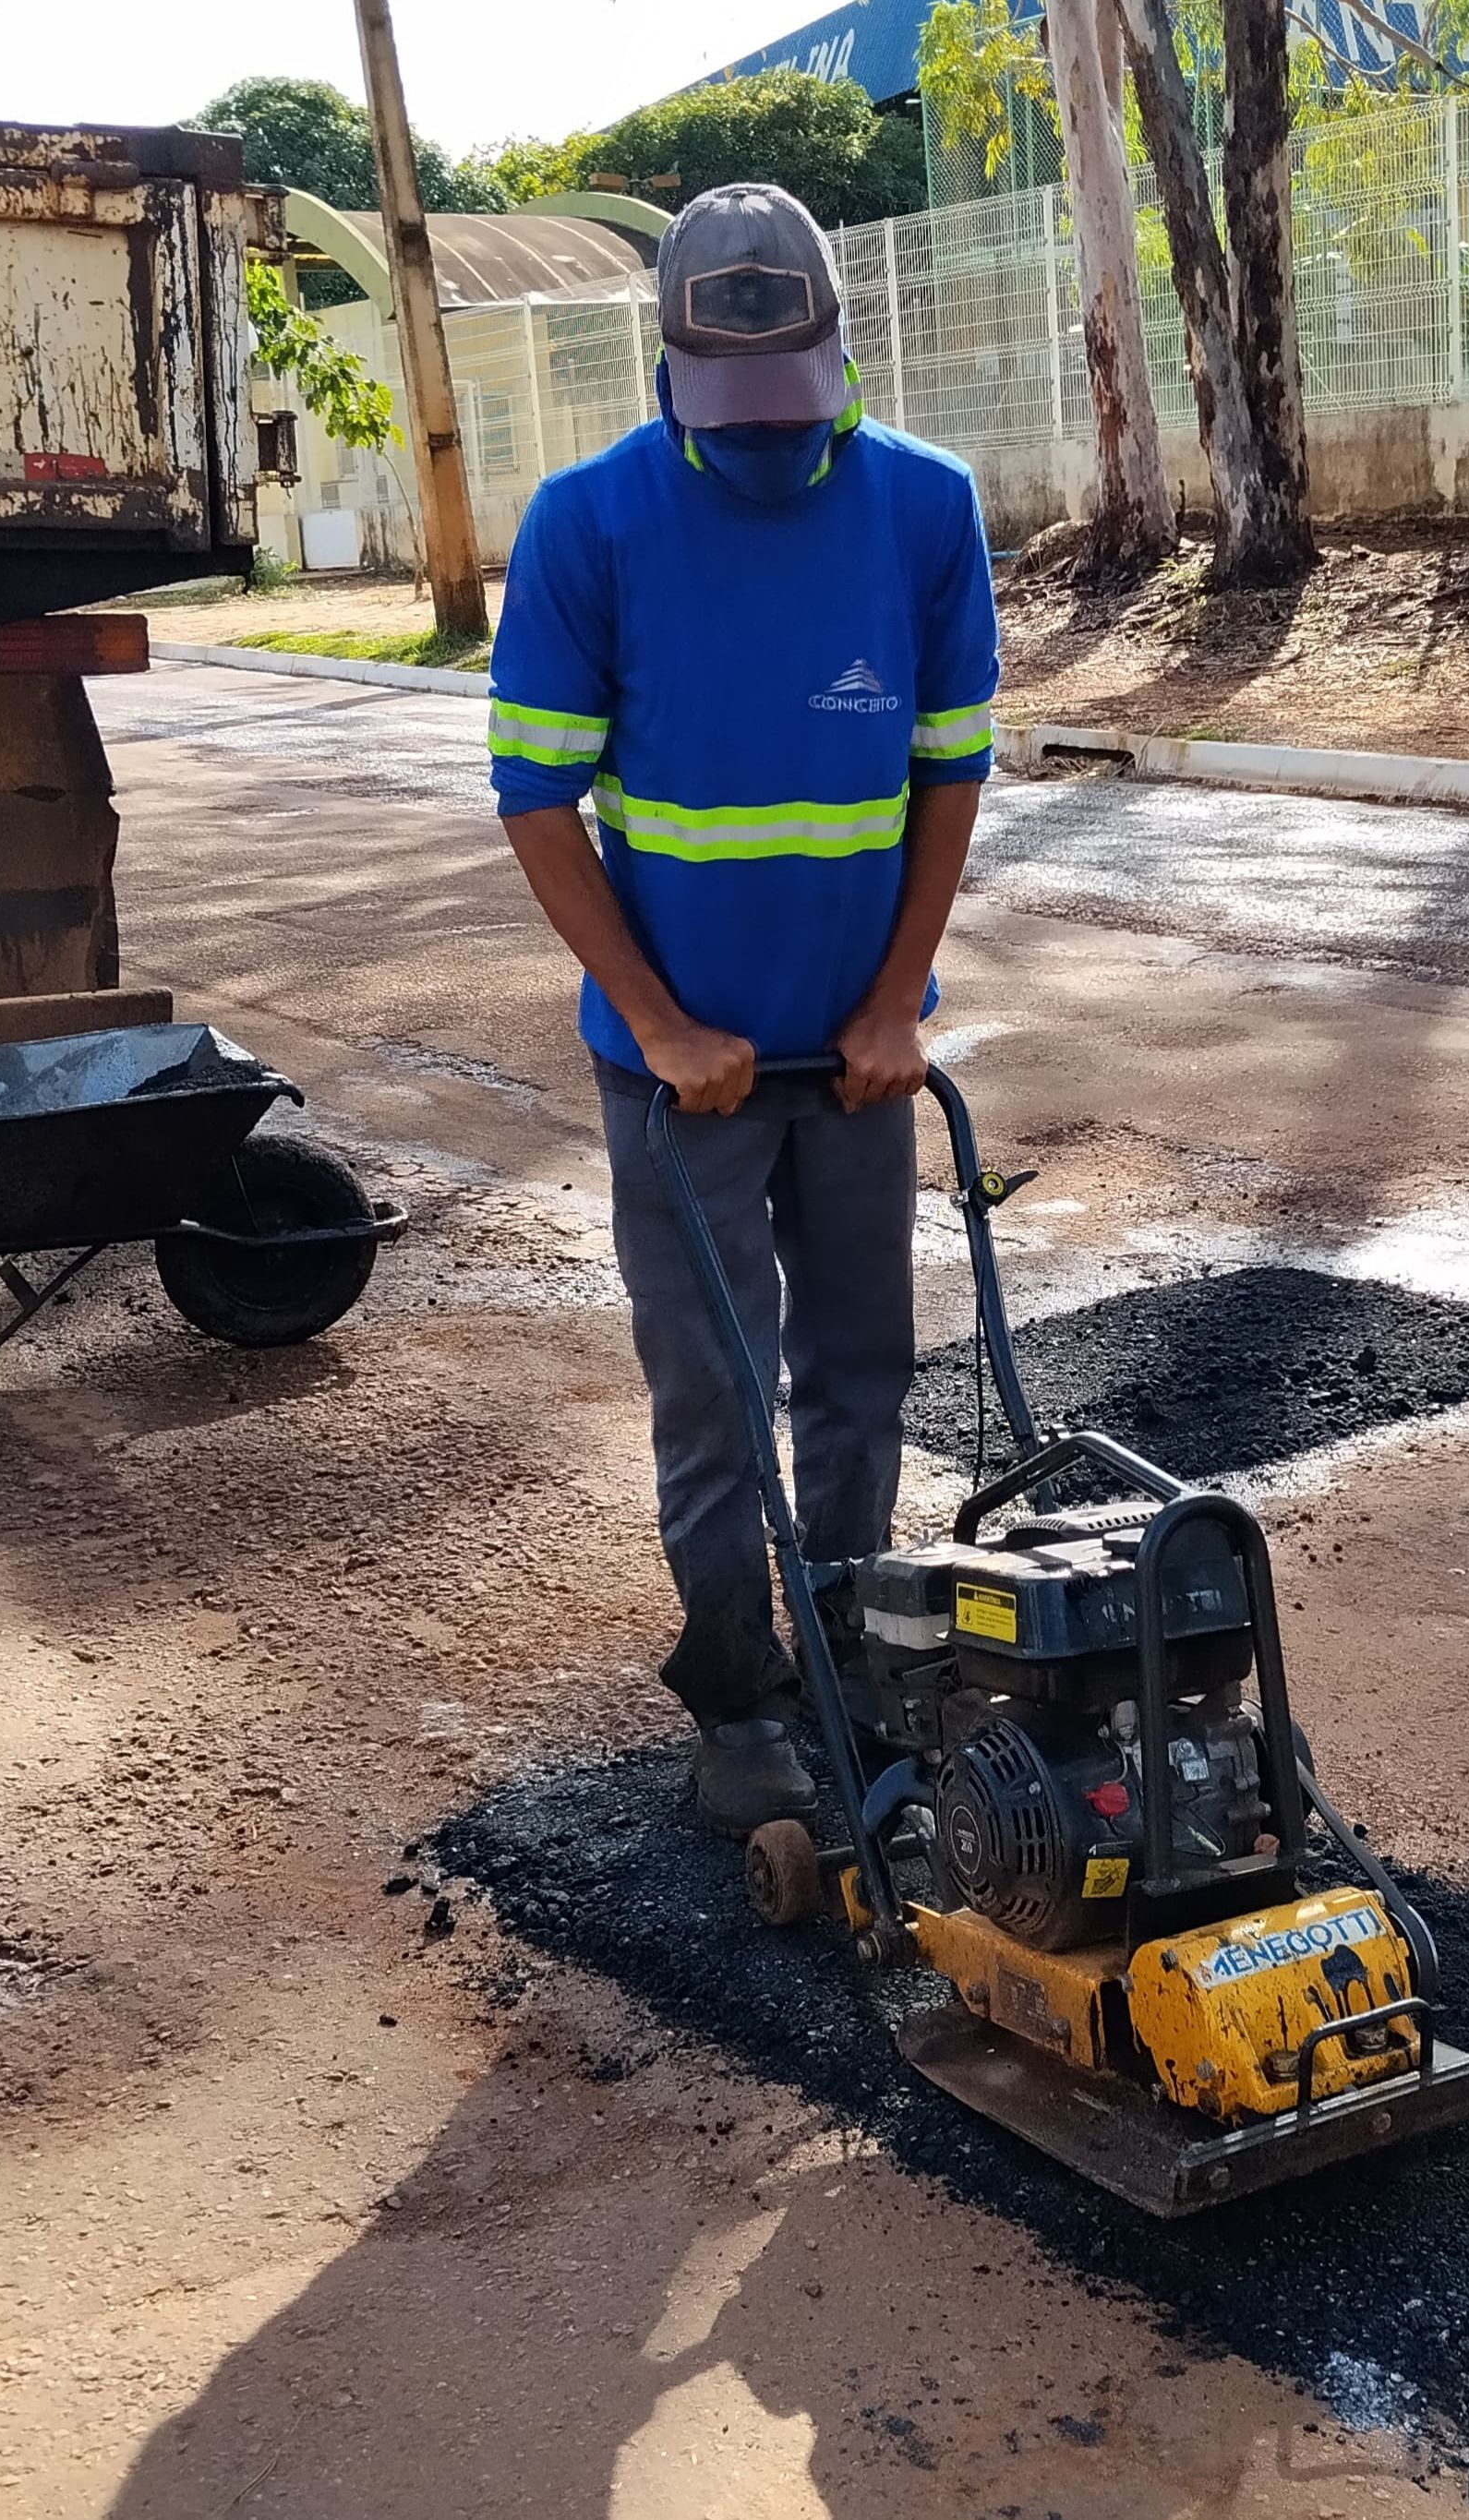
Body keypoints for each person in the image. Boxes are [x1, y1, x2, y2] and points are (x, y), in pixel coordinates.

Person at [488, 184, 999, 1835]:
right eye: (736, 414)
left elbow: (948, 773)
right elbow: (538, 804)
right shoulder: (589, 525)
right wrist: (655, 1023)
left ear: (841, 351)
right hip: (679, 1069)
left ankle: (852, 1668)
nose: (771, 444)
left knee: (860, 1375)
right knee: (714, 1392)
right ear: (671, 366)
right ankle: (734, 1694)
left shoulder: (927, 509)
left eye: (797, 406)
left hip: (856, 1060)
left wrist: (896, 1003)